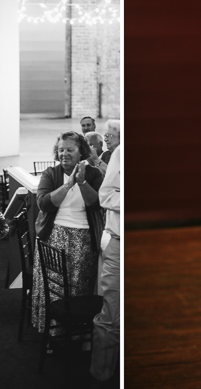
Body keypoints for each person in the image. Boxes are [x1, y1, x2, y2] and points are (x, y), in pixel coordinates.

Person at [31, 131, 105, 332]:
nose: (64, 153)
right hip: (53, 237)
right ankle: (52, 332)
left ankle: (75, 334)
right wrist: (67, 185)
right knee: (55, 288)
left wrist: (81, 182)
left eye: (69, 150)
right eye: (60, 149)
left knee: (79, 287)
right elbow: (44, 204)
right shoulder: (51, 174)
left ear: (81, 152)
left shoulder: (94, 174)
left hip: (84, 238)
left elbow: (96, 204)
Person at [91, 145, 121, 382]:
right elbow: (106, 195)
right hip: (119, 244)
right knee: (111, 316)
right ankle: (101, 375)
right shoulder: (122, 152)